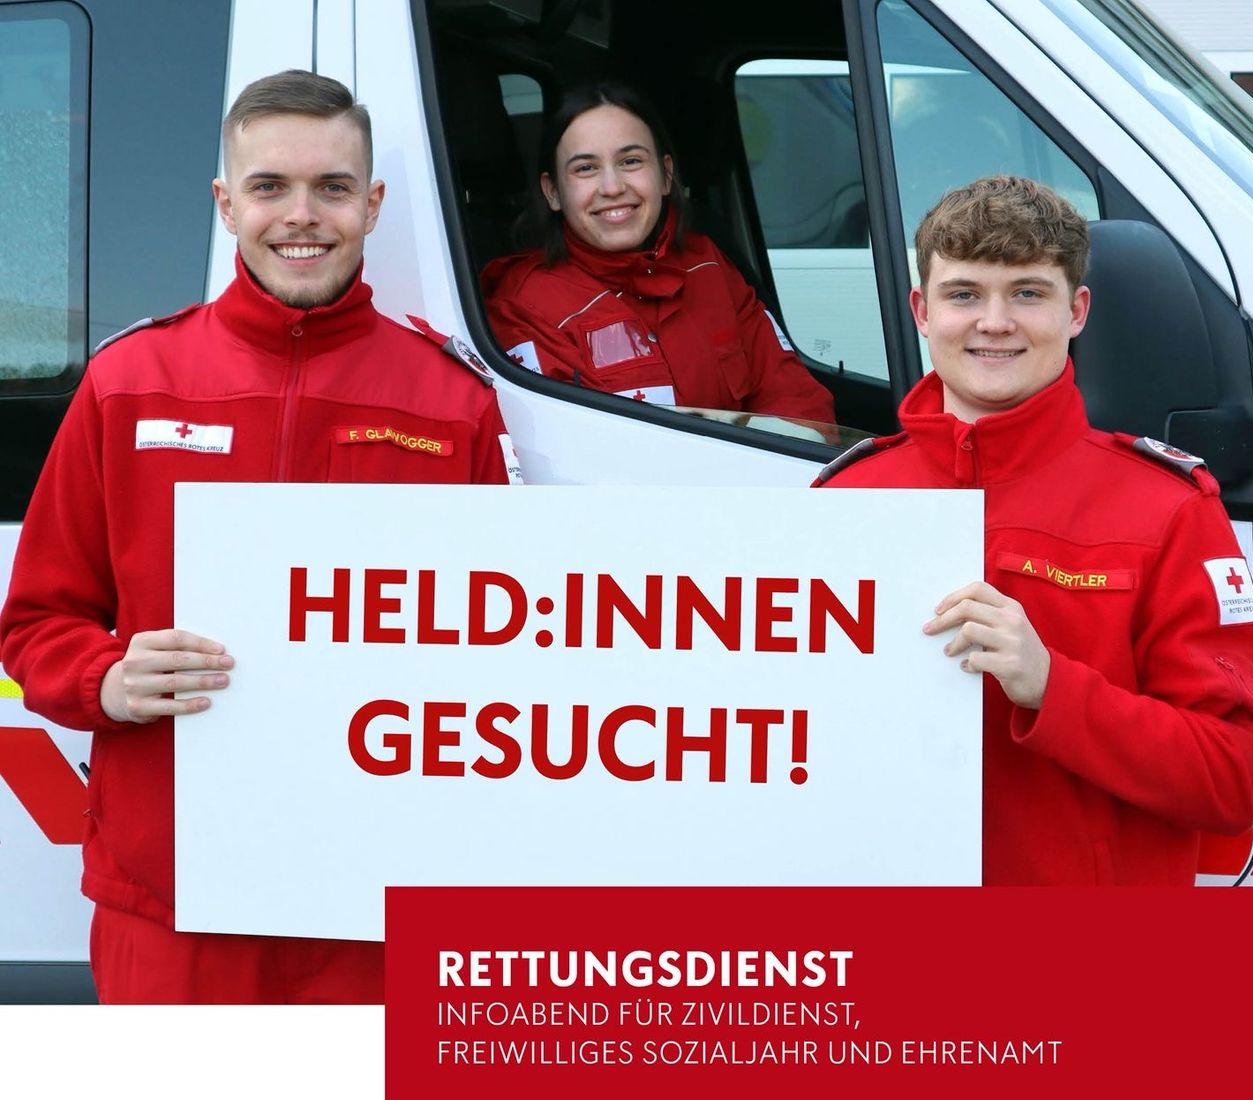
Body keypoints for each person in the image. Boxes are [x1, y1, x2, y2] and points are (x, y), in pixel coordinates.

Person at [0, 71, 520, 1003]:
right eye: (270, 186)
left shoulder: (452, 403)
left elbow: (509, 650)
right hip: (170, 899)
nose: (301, 215)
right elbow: (36, 621)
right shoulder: (129, 383)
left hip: (371, 903)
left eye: (332, 187)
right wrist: (106, 679)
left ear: (372, 204)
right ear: (226, 204)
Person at [816, 175, 1253, 885]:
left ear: (1077, 310)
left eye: (1028, 293)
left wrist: (1053, 688)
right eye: (964, 294)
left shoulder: (1167, 509)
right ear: (922, 311)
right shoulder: (844, 498)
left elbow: (1236, 776)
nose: (995, 322)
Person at [481, 82, 835, 435]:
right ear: (553, 192)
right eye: (586, 168)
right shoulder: (524, 306)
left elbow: (799, 406)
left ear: (666, 175)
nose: (612, 187)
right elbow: (562, 448)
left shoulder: (708, 266)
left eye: (630, 161)